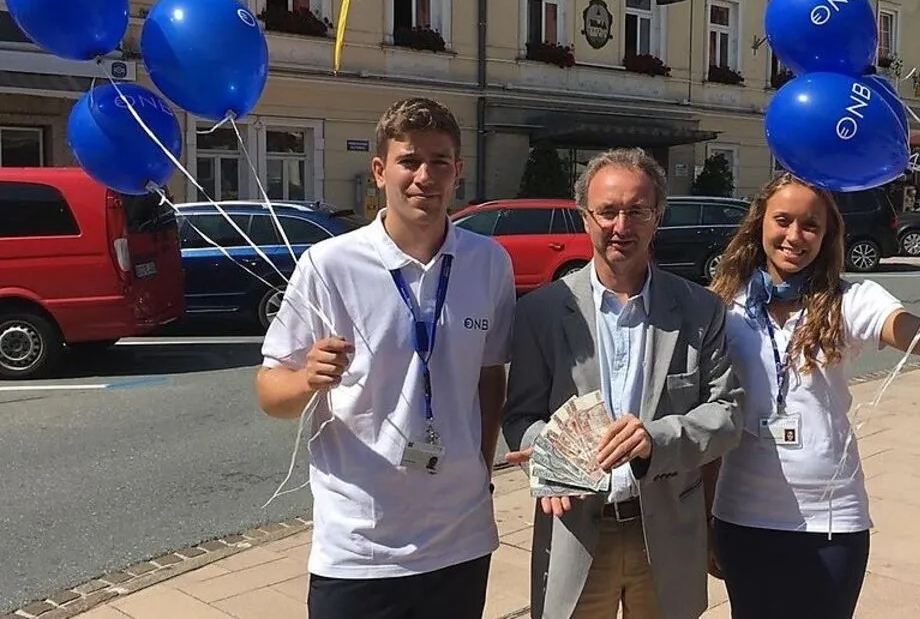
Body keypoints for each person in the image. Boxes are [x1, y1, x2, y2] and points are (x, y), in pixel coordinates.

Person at [254, 97, 516, 619]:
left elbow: (489, 380)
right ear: (379, 171)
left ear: (458, 172)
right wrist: (307, 378)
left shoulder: (489, 263)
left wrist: (479, 469)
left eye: (440, 161)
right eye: (409, 161)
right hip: (360, 548)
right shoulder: (329, 265)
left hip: (460, 539)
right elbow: (270, 393)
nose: (425, 176)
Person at [704, 175, 920, 619]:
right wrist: (706, 518)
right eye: (783, 220)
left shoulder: (852, 301)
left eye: (811, 225)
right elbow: (711, 419)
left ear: (828, 235)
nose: (794, 236)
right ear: (759, 224)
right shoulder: (724, 305)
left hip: (831, 522)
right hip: (743, 517)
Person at [502, 147, 743, 619]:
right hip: (575, 528)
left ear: (658, 217)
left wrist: (655, 440)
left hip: (668, 528)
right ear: (585, 218)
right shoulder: (541, 312)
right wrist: (546, 450)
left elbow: (727, 415)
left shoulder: (700, 310)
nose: (621, 226)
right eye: (608, 212)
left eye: (637, 211)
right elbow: (520, 417)